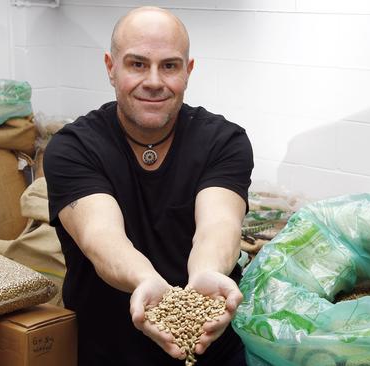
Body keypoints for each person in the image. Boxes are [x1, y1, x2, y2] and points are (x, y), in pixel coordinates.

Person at [44, 6, 253, 366]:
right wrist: (146, 280)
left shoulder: (224, 141)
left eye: (169, 66)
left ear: (188, 71)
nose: (154, 81)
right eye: (137, 64)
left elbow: (219, 225)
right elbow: (101, 235)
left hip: (211, 347)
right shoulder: (73, 147)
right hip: (109, 351)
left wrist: (206, 274)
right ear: (111, 68)